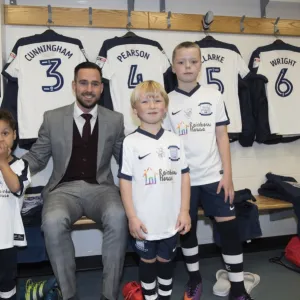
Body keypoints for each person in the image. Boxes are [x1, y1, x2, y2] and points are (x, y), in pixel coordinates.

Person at [22, 62, 127, 300]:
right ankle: (69, 295)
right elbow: (37, 157)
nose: (88, 89)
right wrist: (9, 167)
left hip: (101, 188)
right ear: (73, 86)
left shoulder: (115, 120)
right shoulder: (52, 118)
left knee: (118, 217)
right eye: (83, 83)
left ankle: (109, 295)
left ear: (101, 88)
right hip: (63, 190)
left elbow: (127, 159)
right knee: (51, 221)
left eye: (94, 83)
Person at [164, 42, 253, 300]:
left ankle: (237, 286)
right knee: (187, 231)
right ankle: (194, 278)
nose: (187, 66)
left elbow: (222, 136)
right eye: (181, 62)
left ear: (201, 65)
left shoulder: (214, 95)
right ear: (173, 67)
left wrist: (228, 175)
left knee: (229, 229)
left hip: (214, 177)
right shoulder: (167, 101)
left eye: (193, 61)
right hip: (183, 181)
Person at [119, 80, 191, 300]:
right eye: (145, 101)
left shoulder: (175, 140)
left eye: (157, 100)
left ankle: (165, 296)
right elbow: (125, 181)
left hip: (170, 220)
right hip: (144, 222)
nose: (152, 105)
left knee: (166, 261)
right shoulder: (130, 143)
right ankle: (149, 296)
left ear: (165, 107)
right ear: (135, 110)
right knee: (148, 261)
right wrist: (132, 216)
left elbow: (184, 176)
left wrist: (184, 211)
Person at [0, 109, 31, 300]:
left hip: (6, 239)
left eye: (5, 133)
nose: (0, 140)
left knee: (6, 282)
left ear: (14, 135)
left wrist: (2, 163)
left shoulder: (21, 165)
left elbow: (16, 187)